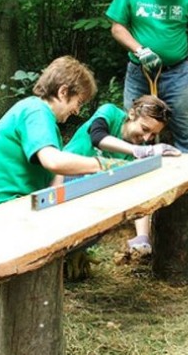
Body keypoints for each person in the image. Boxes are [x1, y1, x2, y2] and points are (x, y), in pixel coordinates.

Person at [105, 0, 188, 202]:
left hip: (177, 73)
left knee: (187, 131)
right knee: (131, 128)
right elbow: (117, 27)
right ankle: (135, 188)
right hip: (140, 72)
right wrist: (140, 50)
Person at [0, 56, 115, 215]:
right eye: (79, 102)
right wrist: (103, 165)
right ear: (63, 92)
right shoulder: (36, 112)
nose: (77, 111)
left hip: (7, 201)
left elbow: (56, 177)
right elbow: (53, 161)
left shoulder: (43, 118)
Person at [64, 95, 180, 255]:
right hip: (65, 177)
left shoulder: (140, 147)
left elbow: (140, 190)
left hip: (93, 190)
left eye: (153, 135)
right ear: (132, 114)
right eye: (145, 129)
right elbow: (97, 137)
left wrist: (143, 237)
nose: (146, 138)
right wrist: (139, 151)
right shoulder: (110, 112)